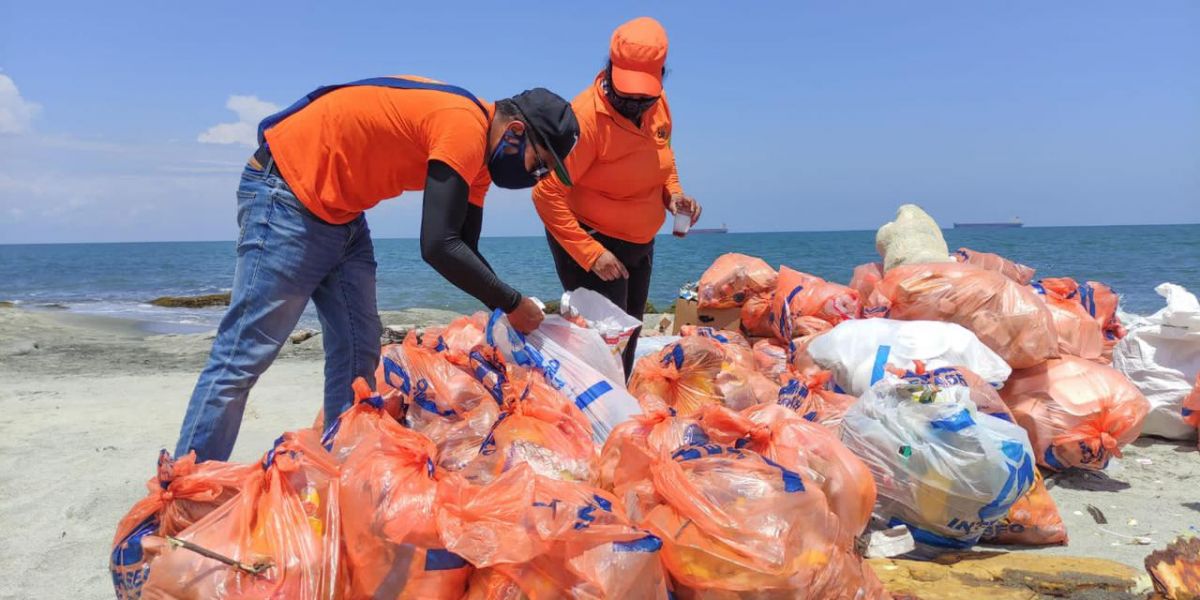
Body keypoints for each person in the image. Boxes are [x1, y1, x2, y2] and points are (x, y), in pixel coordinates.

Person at [176, 76, 579, 462]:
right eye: (539, 164)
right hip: (288, 192)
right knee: (244, 355)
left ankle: (342, 468)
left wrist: (510, 308)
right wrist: (511, 302)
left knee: (358, 348)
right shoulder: (463, 126)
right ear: (516, 131)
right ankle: (183, 494)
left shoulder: (478, 163)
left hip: (344, 212)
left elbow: (465, 248)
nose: (535, 177)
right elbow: (438, 246)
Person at [532, 17, 699, 376]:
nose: (636, 105)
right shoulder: (585, 118)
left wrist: (674, 196)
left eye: (644, 97)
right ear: (609, 69)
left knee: (631, 330)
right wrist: (591, 254)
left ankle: (618, 409)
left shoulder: (659, 105)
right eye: (628, 96)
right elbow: (546, 194)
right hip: (591, 238)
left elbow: (662, 160)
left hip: (640, 241)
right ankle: (597, 416)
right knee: (604, 342)